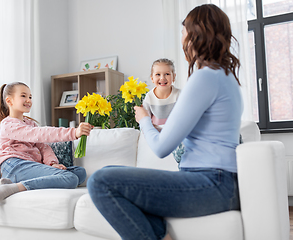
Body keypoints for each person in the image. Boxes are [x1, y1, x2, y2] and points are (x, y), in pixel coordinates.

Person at [87, 4, 243, 240]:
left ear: (197, 34)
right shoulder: (226, 76)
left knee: (100, 181)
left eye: (183, 31)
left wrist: (144, 120)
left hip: (210, 184)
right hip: (220, 183)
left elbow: (161, 148)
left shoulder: (205, 78)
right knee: (111, 174)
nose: (181, 38)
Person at [0, 82, 93, 222]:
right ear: (9, 101)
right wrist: (73, 132)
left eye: (30, 96)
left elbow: (43, 146)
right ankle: (9, 188)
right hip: (15, 165)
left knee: (79, 173)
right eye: (23, 96)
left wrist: (52, 164)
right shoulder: (8, 124)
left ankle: (15, 183)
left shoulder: (30, 123)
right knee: (71, 179)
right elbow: (39, 134)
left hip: (29, 166)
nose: (28, 100)